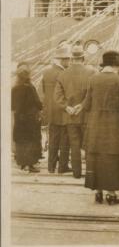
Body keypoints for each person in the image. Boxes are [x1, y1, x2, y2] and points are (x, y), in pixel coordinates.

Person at [83, 51, 119, 205]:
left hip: (95, 124)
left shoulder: (93, 79)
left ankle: (98, 193)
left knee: (97, 156)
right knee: (112, 157)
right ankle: (111, 195)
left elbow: (86, 105)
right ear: (115, 65)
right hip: (114, 125)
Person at [54, 44, 95, 178]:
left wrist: (67, 107)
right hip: (86, 115)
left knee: (74, 145)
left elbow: (57, 96)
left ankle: (77, 173)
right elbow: (93, 94)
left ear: (71, 59)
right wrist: (82, 105)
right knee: (88, 144)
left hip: (70, 116)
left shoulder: (62, 74)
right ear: (83, 57)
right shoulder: (92, 72)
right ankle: (90, 173)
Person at [42, 45, 71, 174]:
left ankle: (51, 166)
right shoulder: (64, 73)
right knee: (65, 140)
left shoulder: (46, 72)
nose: (69, 62)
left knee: (53, 139)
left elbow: (44, 91)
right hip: (63, 111)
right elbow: (67, 94)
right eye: (67, 59)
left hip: (51, 112)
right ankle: (63, 166)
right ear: (62, 60)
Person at [11, 63, 43, 173]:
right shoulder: (30, 88)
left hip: (19, 119)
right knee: (31, 141)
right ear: (28, 76)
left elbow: (12, 105)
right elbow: (37, 102)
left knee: (21, 141)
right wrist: (41, 107)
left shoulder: (14, 88)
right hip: (30, 119)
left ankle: (22, 164)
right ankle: (30, 165)